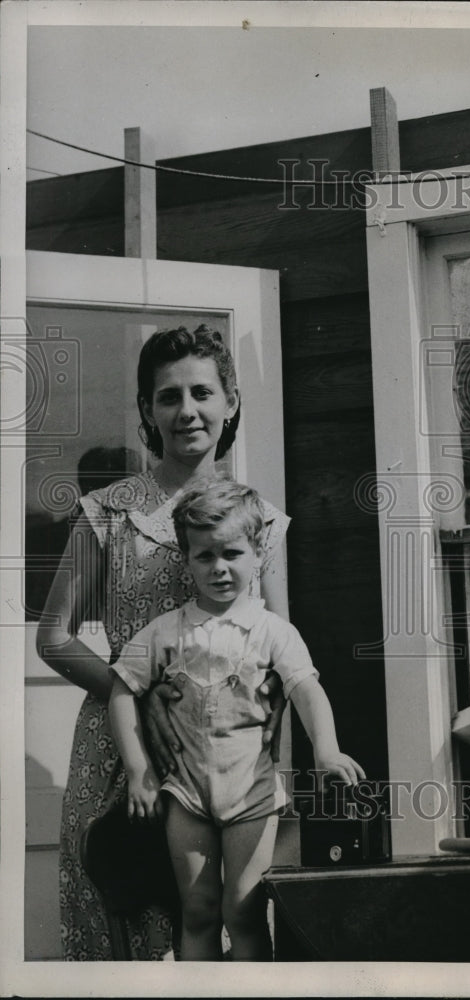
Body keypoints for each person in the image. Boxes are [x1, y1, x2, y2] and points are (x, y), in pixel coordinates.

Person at [36, 325, 288, 960]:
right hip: (122, 753)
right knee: (127, 916)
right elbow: (54, 636)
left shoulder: (261, 521)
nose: (187, 411)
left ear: (230, 402)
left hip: (226, 755)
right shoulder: (107, 511)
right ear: (147, 410)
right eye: (168, 396)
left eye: (202, 392)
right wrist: (142, 702)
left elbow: (278, 657)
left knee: (232, 913)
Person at [109, 479, 365, 960]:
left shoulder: (273, 631)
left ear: (257, 552)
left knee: (244, 910)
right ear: (186, 560)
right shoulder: (167, 631)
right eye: (204, 556)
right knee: (199, 910)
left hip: (251, 793)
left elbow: (307, 689)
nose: (219, 568)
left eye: (231, 553)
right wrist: (138, 771)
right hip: (186, 792)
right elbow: (123, 690)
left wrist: (326, 749)